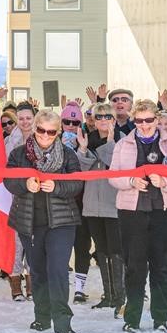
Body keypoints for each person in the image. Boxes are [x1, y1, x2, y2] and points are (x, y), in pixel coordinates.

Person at [109, 99, 167, 333]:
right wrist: (130, 181)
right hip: (132, 211)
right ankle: (132, 318)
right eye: (139, 120)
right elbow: (112, 176)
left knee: (161, 265)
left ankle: (160, 318)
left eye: (149, 120)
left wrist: (165, 182)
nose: (144, 125)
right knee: (134, 266)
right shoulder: (123, 144)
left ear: (157, 119)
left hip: (165, 211)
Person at [4, 108, 85, 333]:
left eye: (51, 132)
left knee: (57, 270)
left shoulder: (68, 155)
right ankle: (42, 316)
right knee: (37, 270)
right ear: (34, 128)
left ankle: (62, 321)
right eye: (41, 130)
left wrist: (58, 187)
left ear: (58, 132)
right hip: (29, 222)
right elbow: (8, 180)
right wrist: (24, 184)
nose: (45, 136)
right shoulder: (19, 154)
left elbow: (77, 183)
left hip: (62, 222)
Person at [76, 102, 122, 315]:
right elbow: (80, 170)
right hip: (92, 204)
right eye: (99, 117)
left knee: (116, 250)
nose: (103, 120)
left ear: (114, 119)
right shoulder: (88, 139)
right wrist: (82, 149)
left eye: (108, 116)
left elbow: (114, 164)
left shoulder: (123, 140)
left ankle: (120, 296)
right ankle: (108, 295)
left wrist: (110, 142)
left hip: (114, 204)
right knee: (101, 250)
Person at [60, 101, 94, 304]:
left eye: (75, 122)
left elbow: (88, 170)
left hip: (82, 202)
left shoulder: (87, 140)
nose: (71, 126)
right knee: (60, 247)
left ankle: (80, 289)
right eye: (67, 121)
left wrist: (81, 150)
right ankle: (61, 287)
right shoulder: (52, 139)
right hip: (60, 203)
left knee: (82, 246)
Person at [4, 102, 35, 300]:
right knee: (17, 242)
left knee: (33, 241)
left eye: (28, 118)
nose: (25, 122)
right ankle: (15, 281)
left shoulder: (42, 137)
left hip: (37, 197)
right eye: (21, 118)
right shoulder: (10, 141)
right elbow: (7, 167)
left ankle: (32, 281)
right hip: (16, 196)